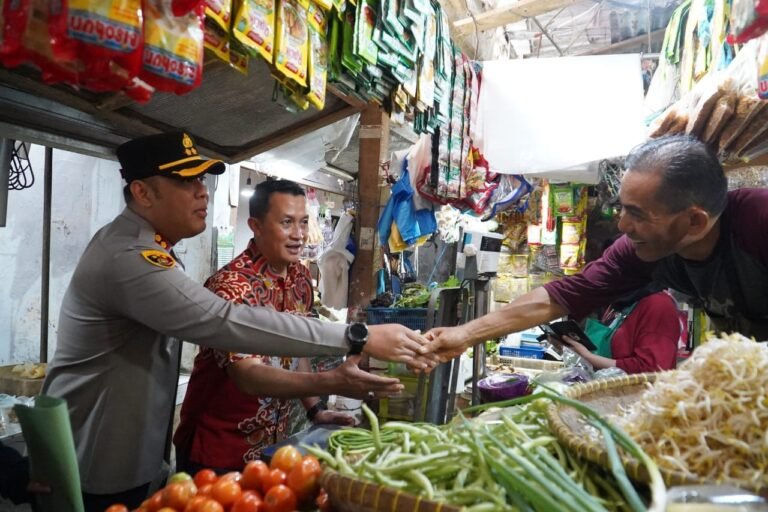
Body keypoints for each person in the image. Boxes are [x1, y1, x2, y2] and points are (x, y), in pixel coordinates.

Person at [41, 132, 434, 511]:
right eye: (186, 180)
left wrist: (315, 407)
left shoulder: (158, 249)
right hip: (97, 461)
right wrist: (356, 337)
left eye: (202, 179)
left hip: (133, 453)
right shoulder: (130, 258)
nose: (203, 191)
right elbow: (226, 322)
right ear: (142, 192)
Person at [425, 135, 768, 361]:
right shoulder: (640, 250)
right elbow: (563, 295)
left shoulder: (758, 221)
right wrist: (466, 333)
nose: (622, 226)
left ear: (694, 222)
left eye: (637, 214)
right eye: (622, 209)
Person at [174, 179, 390, 472]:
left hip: (273, 447)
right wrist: (332, 381)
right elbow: (247, 376)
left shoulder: (300, 278)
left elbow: (295, 347)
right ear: (256, 225)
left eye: (303, 223)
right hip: (219, 450)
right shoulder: (231, 287)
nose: (299, 235)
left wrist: (315, 409)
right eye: (287, 222)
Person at [550, 287, 681, 373]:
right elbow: (605, 351)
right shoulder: (621, 302)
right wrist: (570, 349)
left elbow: (653, 369)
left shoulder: (658, 305)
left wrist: (588, 357)